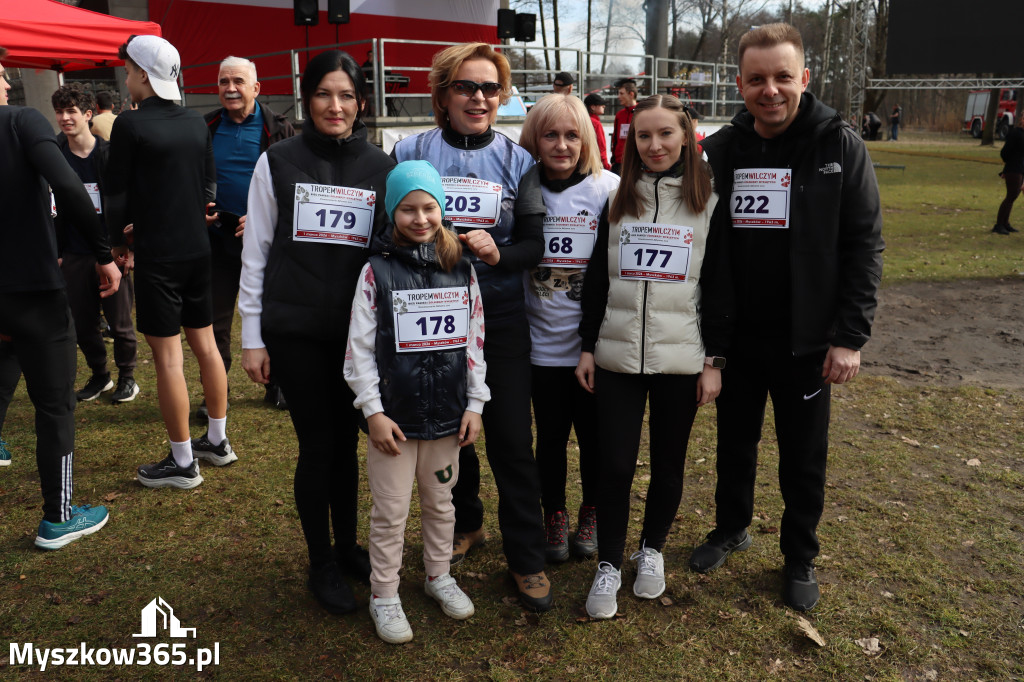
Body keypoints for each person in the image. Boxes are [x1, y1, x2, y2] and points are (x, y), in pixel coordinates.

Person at [690, 23, 884, 612]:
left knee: (803, 456)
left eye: (781, 77)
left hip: (807, 342)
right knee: (734, 445)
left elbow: (865, 245)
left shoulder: (839, 144)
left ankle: (799, 555)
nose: (769, 90)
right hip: (738, 337)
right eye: (756, 79)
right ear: (741, 85)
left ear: (803, 78)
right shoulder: (720, 150)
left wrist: (848, 337)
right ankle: (731, 528)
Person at [392, 42, 551, 612]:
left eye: (489, 88)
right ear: (443, 94)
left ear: (502, 95)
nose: (478, 97)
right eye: (465, 86)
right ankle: (468, 523)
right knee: (446, 433)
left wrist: (497, 252)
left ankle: (527, 556)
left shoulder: (518, 160)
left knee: (510, 438)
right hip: (429, 318)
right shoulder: (410, 149)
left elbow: (534, 243)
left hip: (500, 320)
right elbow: (385, 230)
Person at [240, 50, 395, 614]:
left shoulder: (381, 166)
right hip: (296, 331)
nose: (336, 106)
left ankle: (348, 544)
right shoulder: (276, 161)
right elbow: (255, 252)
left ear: (361, 102)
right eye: (326, 94)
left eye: (347, 95)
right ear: (308, 98)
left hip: (358, 336)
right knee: (319, 445)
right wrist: (252, 337)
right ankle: (321, 562)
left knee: (351, 444)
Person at [576, 94, 729, 620]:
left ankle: (653, 551)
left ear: (686, 137)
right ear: (631, 142)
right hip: (616, 357)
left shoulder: (707, 201)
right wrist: (586, 346)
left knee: (668, 465)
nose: (655, 144)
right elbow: (598, 278)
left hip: (682, 361)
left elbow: (719, 287)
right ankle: (610, 565)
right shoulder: (619, 198)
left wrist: (714, 361)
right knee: (614, 465)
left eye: (666, 134)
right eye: (644, 135)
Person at [345, 161, 487, 643]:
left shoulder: (461, 267)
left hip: (448, 415)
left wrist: (475, 404)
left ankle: (437, 575)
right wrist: (373, 411)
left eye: (429, 207)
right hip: (396, 421)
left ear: (442, 210)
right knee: (390, 512)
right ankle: (383, 593)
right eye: (408, 208)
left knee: (441, 503)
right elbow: (359, 349)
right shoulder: (375, 271)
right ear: (392, 211)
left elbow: (475, 341)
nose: (420, 218)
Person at [0, 46, 121, 549]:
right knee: (54, 403)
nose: (8, 84)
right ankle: (58, 515)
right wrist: (102, 252)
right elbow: (70, 186)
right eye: (2, 75)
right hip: (32, 287)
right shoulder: (21, 121)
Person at [105, 35, 233, 489]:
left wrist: (118, 241)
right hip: (198, 249)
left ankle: (182, 464)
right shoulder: (197, 123)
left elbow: (115, 191)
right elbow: (207, 186)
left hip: (158, 255)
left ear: (142, 73)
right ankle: (216, 441)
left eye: (128, 69)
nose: (126, 76)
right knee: (207, 346)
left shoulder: (130, 125)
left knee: (168, 360)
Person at [518, 94, 619, 564]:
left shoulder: (608, 189)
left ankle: (592, 511)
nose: (561, 145)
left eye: (572, 135)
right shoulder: (521, 186)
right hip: (539, 349)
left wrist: (596, 343)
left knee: (596, 440)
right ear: (534, 140)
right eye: (550, 134)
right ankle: (553, 512)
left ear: (587, 140)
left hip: (592, 349)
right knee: (551, 440)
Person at [201, 56, 295, 416]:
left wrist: (262, 221)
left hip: (266, 238)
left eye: (238, 81)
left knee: (274, 315)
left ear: (256, 88)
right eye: (224, 81)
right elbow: (192, 178)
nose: (230, 88)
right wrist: (200, 210)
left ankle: (279, 384)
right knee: (215, 319)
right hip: (217, 237)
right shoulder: (205, 127)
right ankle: (216, 391)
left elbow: (293, 187)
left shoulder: (280, 129)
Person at [51, 84, 140, 404]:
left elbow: (127, 202)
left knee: (120, 323)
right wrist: (57, 252)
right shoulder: (54, 156)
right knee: (84, 322)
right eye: (60, 112)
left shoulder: (109, 154)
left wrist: (127, 249)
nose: (64, 118)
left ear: (88, 115)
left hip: (111, 251)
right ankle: (100, 376)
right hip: (73, 253)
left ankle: (128, 377)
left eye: (71, 111)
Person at [994, 116, 1024, 235]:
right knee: (1011, 196)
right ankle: (999, 224)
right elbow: (1005, 152)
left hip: (1020, 168)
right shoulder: (1016, 133)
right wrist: (1009, 165)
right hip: (1013, 168)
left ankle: (1005, 223)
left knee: (1013, 196)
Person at [610, 79, 638, 173]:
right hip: (618, 162)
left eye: (622, 94)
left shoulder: (641, 113)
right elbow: (615, 138)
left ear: (631, 94)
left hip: (634, 163)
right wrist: (614, 157)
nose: (619, 97)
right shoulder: (619, 115)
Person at [584, 93, 611, 170]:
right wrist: (606, 165)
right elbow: (601, 147)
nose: (604, 106)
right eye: (601, 104)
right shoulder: (596, 123)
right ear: (592, 107)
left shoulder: (582, 121)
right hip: (595, 164)